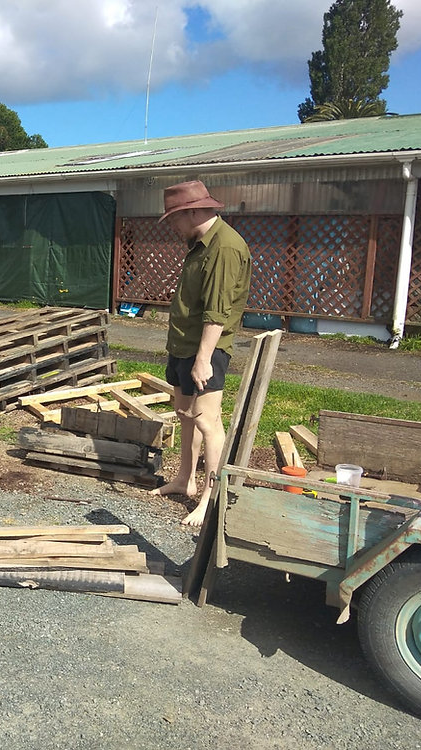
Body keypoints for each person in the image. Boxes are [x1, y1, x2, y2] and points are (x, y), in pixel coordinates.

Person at [149, 180, 251, 527]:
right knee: (186, 415)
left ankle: (211, 496)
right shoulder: (199, 245)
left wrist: (203, 359)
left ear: (192, 212)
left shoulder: (224, 248)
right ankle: (184, 479)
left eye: (175, 219)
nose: (173, 227)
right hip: (183, 345)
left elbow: (217, 312)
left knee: (208, 423)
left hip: (205, 350)